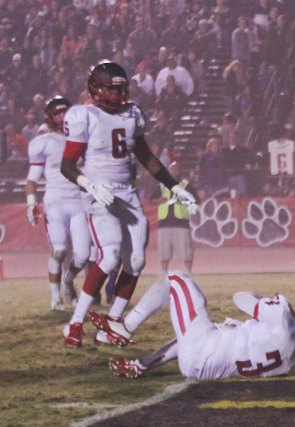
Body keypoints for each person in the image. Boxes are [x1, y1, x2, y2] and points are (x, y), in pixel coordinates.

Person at [60, 61, 198, 348]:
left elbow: (146, 156)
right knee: (110, 256)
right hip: (100, 193)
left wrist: (174, 187)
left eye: (121, 89)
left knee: (136, 261)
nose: (118, 95)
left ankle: (112, 322)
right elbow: (67, 165)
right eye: (111, 89)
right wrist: (89, 184)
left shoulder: (132, 113)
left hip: (128, 194)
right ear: (96, 89)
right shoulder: (85, 115)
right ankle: (75, 322)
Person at [87, 272, 295, 379]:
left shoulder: (282, 317)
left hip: (204, 348)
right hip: (204, 370)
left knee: (175, 278)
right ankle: (141, 365)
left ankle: (125, 327)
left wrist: (262, 299)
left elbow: (239, 298)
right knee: (208, 335)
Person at [25, 96, 91, 311]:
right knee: (60, 250)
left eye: (65, 111)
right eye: (57, 113)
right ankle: (55, 296)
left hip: (78, 201)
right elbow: (32, 179)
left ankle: (68, 281)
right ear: (50, 117)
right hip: (55, 202)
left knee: (83, 254)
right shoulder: (44, 142)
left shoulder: (82, 139)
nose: (62, 116)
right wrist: (31, 202)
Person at [150, 161, 200, 275]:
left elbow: (196, 201)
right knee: (164, 251)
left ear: (180, 171)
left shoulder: (186, 186)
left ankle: (189, 273)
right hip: (164, 224)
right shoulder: (162, 186)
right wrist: (159, 201)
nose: (174, 171)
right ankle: (164, 274)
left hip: (181, 223)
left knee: (186, 251)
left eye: (176, 169)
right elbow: (151, 200)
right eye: (172, 169)